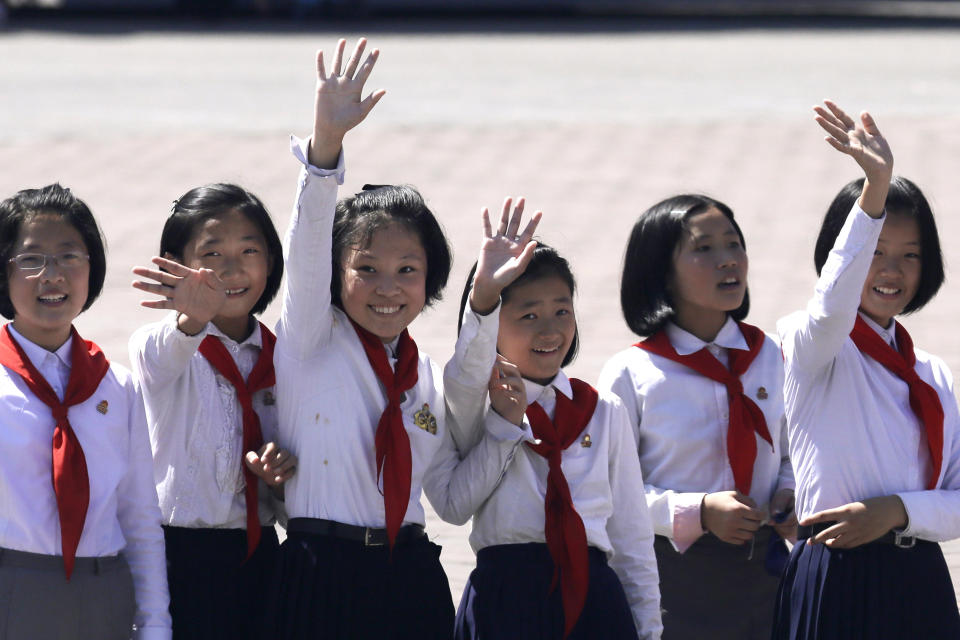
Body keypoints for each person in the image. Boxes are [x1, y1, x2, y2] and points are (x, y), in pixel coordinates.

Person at [268, 38, 522, 639]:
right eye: (367, 269)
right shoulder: (310, 338)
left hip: (407, 572)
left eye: (407, 269)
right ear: (336, 273)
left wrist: (506, 426)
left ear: (430, 277)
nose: (388, 287)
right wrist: (325, 147)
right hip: (317, 569)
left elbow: (454, 502)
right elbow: (305, 250)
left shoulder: (422, 376)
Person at [772, 100, 960, 639]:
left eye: (911, 255)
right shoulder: (812, 345)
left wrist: (896, 511)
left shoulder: (931, 371)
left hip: (918, 574)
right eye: (876, 251)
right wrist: (875, 188)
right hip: (835, 573)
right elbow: (833, 304)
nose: (892, 271)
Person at [446, 199, 662, 639]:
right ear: (493, 327)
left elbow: (633, 541)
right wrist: (484, 296)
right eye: (528, 315)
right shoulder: (476, 401)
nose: (550, 331)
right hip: (505, 599)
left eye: (562, 311)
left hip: (594, 598)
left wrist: (649, 629)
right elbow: (468, 368)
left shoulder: (603, 411)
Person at [597, 192, 795, 639]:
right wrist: (699, 511)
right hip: (674, 578)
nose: (729, 261)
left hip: (766, 572)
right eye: (704, 249)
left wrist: (789, 492)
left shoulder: (772, 356)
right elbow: (610, 490)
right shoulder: (632, 372)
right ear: (661, 273)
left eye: (734, 244)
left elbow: (793, 450)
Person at [0, 184, 171, 639]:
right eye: (32, 259)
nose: (52, 276)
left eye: (69, 257)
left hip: (104, 594)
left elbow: (139, 517)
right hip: (14, 589)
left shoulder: (118, 386)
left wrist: (155, 625)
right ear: (4, 273)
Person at [129, 184, 296, 639]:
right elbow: (168, 351)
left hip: (259, 550)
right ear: (174, 265)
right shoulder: (159, 345)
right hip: (178, 554)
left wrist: (278, 478)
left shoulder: (282, 359)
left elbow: (291, 476)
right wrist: (193, 317)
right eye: (212, 253)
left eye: (250, 250)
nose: (233, 268)